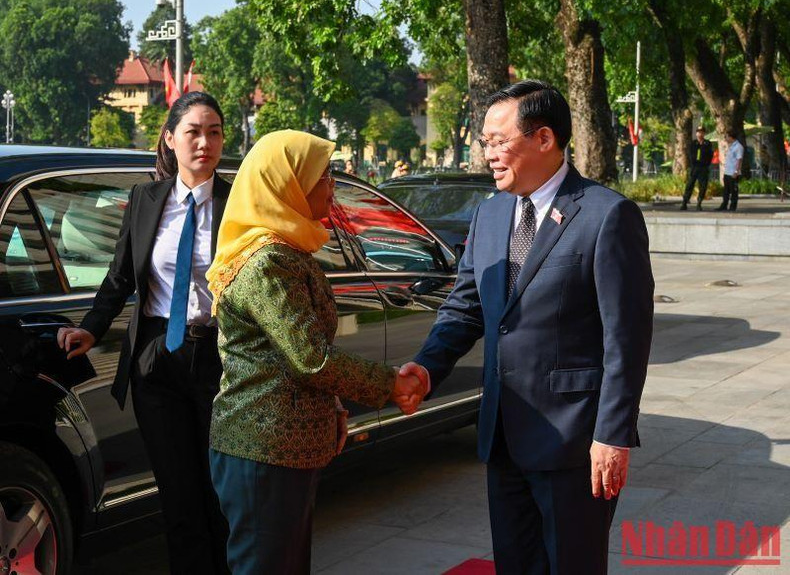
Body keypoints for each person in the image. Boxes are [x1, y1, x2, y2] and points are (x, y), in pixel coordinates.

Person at [400, 80, 654, 574]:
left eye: (499, 141)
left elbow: (626, 338)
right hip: (503, 432)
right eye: (485, 142)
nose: (488, 154)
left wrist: (613, 434)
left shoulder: (607, 215)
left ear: (544, 139)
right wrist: (428, 367)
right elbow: (465, 306)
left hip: (574, 440)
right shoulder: (491, 214)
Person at [205, 130, 427, 575]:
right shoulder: (267, 261)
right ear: (288, 184)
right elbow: (311, 358)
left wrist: (333, 409)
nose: (332, 186)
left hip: (286, 447)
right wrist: (391, 383)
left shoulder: (289, 250)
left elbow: (297, 359)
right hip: (263, 448)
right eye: (322, 176)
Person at [56, 92, 231, 574]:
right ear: (170, 139)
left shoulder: (238, 204)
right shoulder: (144, 198)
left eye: (214, 132)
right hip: (155, 358)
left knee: (219, 490)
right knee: (177, 494)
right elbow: (119, 277)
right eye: (193, 131)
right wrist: (91, 330)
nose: (204, 142)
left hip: (218, 359)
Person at [681, 125, 713, 210]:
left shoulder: (707, 144)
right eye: (698, 132)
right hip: (695, 167)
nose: (700, 134)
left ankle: (699, 202)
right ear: (696, 133)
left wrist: (706, 164)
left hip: (703, 167)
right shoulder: (693, 143)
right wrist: (693, 164)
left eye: (702, 132)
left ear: (704, 133)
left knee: (702, 186)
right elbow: (690, 154)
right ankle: (685, 201)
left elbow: (710, 155)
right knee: (690, 184)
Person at [718, 130, 744, 211]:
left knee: (734, 191)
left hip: (733, 173)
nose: (725, 138)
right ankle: (724, 205)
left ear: (731, 137)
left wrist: (736, 171)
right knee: (726, 190)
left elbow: (739, 160)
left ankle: (733, 206)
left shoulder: (738, 147)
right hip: (727, 172)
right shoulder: (731, 146)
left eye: (727, 136)